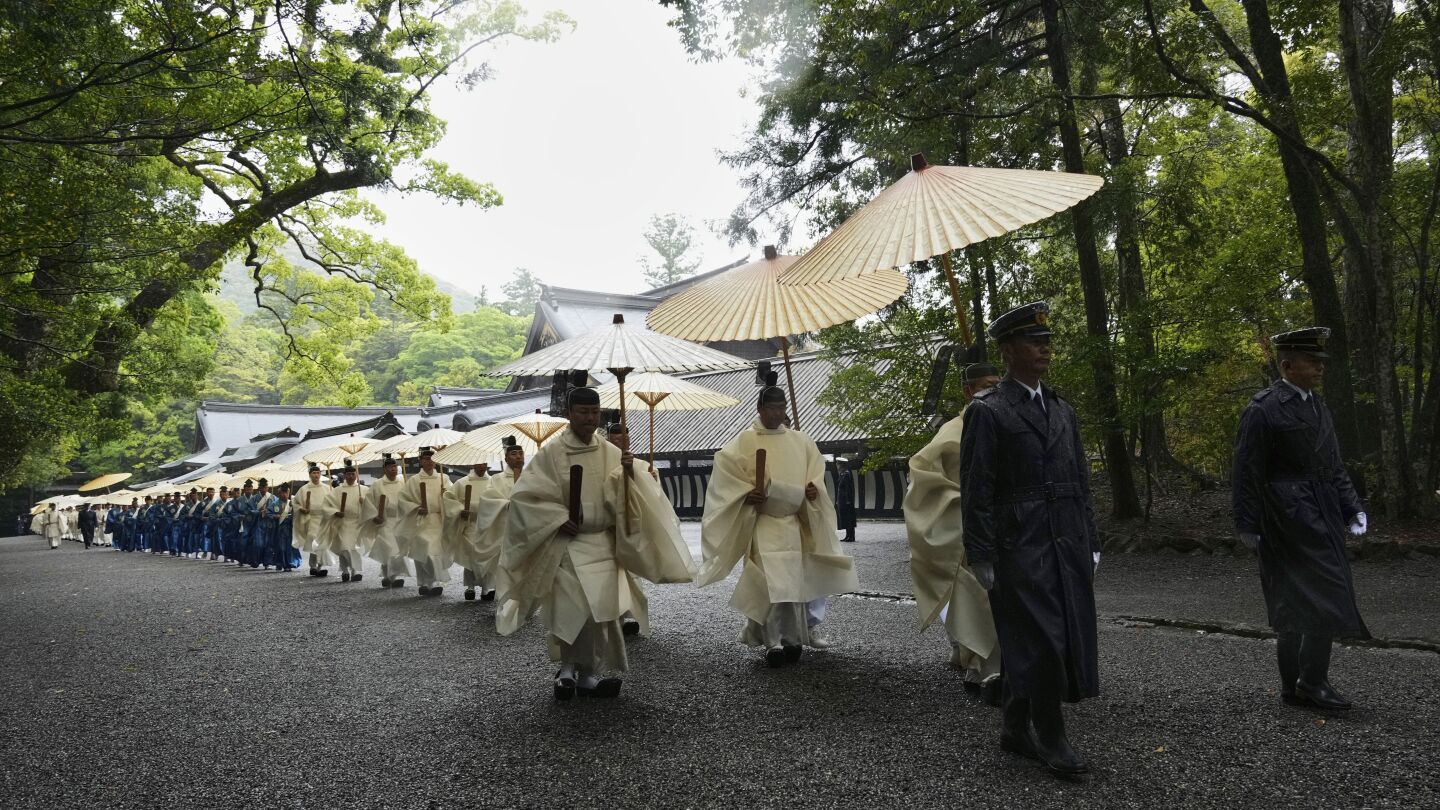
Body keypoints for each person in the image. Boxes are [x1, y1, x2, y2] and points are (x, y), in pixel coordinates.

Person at [960, 302, 1100, 776]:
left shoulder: (1062, 409)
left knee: (1054, 634)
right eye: (1033, 341)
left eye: (1047, 341)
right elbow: (977, 486)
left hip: (1064, 539)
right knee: (1042, 639)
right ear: (1007, 350)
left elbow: (1080, 480)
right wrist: (981, 552)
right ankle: (1052, 735)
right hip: (1018, 541)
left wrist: (1090, 538)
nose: (1044, 349)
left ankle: (1014, 727)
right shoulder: (988, 410)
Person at [497, 386, 693, 700]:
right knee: (572, 607)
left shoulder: (611, 452)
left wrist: (630, 473)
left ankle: (588, 674)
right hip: (568, 543)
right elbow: (526, 497)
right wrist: (558, 518)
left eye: (595, 412)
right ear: (569, 414)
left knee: (603, 611)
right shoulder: (552, 453)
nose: (590, 418)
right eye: (583, 412)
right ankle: (566, 670)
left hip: (602, 543)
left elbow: (629, 497)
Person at [1233, 327, 1369, 711]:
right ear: (1287, 365)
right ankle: (1305, 683)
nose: (1320, 367)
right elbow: (1246, 470)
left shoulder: (1318, 406)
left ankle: (1302, 684)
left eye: (1321, 361)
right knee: (1297, 599)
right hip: (1285, 519)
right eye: (1312, 361)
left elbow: (1334, 465)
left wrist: (1352, 507)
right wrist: (1247, 524)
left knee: (1316, 596)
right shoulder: (1263, 409)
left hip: (1322, 513)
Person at [696, 371, 858, 667]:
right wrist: (747, 495)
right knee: (770, 584)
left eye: (782, 407)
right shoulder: (745, 441)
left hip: (793, 521)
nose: (777, 413)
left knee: (792, 584)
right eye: (772, 408)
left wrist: (812, 489)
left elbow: (814, 473)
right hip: (764, 522)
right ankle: (772, 642)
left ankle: (793, 637)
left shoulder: (801, 441)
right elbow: (726, 478)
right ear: (760, 408)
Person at [906, 361, 1005, 704]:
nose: (993, 391)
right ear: (967, 391)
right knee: (978, 598)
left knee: (1004, 598)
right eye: (986, 386)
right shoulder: (951, 432)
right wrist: (960, 501)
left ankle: (988, 664)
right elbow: (924, 476)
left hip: (1007, 525)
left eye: (997, 385)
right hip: (968, 527)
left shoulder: (1006, 421)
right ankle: (982, 666)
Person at [604, 421, 687, 638]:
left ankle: (629, 615)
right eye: (616, 438)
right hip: (609, 526)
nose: (621, 442)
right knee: (610, 573)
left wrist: (648, 480)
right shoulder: (602, 464)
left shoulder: (644, 465)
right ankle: (614, 617)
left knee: (631, 571)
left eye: (624, 438)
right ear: (608, 440)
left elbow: (655, 497)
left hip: (634, 524)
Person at [442, 458, 496, 601]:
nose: (483, 465)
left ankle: (486, 588)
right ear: (473, 464)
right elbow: (449, 499)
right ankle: (470, 586)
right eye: (480, 463)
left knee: (486, 556)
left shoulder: (493, 482)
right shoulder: (462, 483)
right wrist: (460, 510)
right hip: (470, 524)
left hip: (488, 525)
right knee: (471, 555)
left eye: (485, 463)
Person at [398, 448, 449, 597]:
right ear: (421, 461)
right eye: (426, 459)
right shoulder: (414, 480)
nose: (430, 462)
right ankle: (425, 581)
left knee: (435, 552)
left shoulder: (443, 478)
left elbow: (452, 496)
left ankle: (434, 582)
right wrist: (416, 508)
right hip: (420, 520)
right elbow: (402, 500)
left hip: (437, 519)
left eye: (432, 458)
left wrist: (445, 494)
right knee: (423, 551)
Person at [365, 454, 412, 589]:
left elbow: (409, 499)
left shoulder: (402, 483)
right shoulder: (377, 485)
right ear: (384, 469)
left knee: (398, 549)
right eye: (390, 467)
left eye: (395, 467)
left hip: (400, 520)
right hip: (385, 521)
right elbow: (369, 503)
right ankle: (392, 577)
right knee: (389, 548)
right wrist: (375, 516)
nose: (393, 469)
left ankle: (388, 575)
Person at [326, 460, 368, 583]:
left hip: (357, 522)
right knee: (345, 547)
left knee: (353, 548)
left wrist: (364, 502)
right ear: (344, 475)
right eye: (348, 474)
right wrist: (335, 512)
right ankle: (349, 570)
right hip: (343, 522)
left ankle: (350, 571)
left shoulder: (363, 489)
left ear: (356, 475)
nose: (351, 476)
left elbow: (372, 504)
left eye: (353, 474)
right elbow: (328, 505)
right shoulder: (337, 490)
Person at [294, 464, 333, 577]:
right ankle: (313, 566)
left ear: (320, 474)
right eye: (314, 473)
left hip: (323, 519)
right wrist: (301, 508)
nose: (316, 475)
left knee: (321, 543)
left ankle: (318, 567)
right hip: (310, 519)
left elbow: (334, 501)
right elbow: (295, 502)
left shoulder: (327, 488)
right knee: (312, 539)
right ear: (310, 475)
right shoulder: (304, 489)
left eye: (318, 473)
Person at [834, 458, 857, 543]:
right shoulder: (842, 474)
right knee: (845, 518)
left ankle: (851, 536)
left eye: (838, 464)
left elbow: (848, 488)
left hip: (846, 500)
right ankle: (848, 536)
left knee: (849, 518)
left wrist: (848, 500)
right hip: (842, 499)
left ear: (841, 465)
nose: (837, 466)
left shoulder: (847, 474)